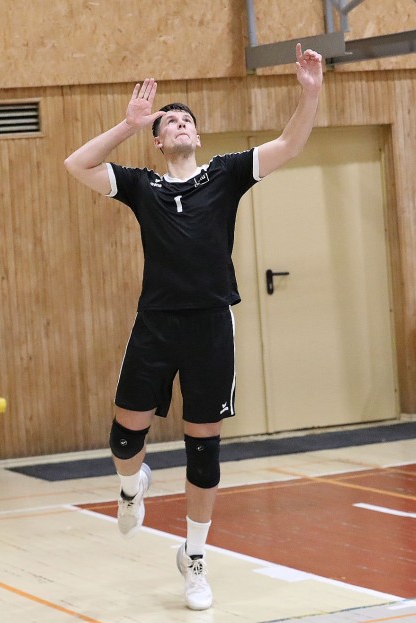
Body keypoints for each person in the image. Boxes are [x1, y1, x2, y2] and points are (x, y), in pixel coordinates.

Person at [63, 43, 324, 611]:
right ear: (158, 141)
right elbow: (76, 164)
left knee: (203, 451)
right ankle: (131, 487)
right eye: (169, 121)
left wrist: (310, 94)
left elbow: (289, 144)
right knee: (124, 439)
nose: (179, 123)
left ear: (197, 136)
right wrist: (128, 125)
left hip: (210, 325)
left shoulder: (225, 175)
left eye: (186, 120)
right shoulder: (142, 186)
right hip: (156, 324)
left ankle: (196, 560)